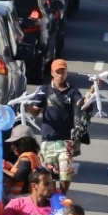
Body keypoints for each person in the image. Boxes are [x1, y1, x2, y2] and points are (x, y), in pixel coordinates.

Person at [25, 59, 83, 191]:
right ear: (52, 72)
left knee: (65, 175)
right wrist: (27, 105)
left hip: (66, 141)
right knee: (49, 176)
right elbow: (35, 112)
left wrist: (91, 92)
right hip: (48, 141)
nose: (60, 75)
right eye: (58, 72)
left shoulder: (72, 91)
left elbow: (80, 103)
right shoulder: (44, 90)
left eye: (63, 72)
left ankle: (62, 195)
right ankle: (52, 198)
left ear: (66, 73)